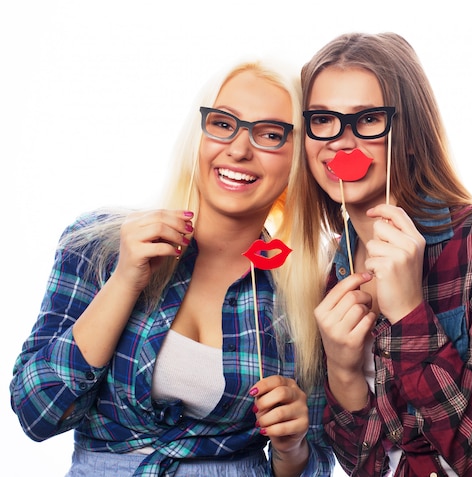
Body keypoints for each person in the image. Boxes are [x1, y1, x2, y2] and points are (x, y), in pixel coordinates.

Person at [277, 32, 472, 476]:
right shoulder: (336, 269)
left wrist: (408, 314)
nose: (341, 142)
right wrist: (343, 373)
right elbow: (367, 466)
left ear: (410, 135)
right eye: (323, 120)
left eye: (367, 120)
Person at [10, 59, 334, 476]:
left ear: (297, 160)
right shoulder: (99, 244)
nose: (238, 149)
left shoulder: (307, 292)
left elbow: (319, 460)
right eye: (223, 124)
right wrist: (125, 280)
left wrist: (292, 447)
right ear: (198, 136)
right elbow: (36, 413)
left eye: (271, 135)